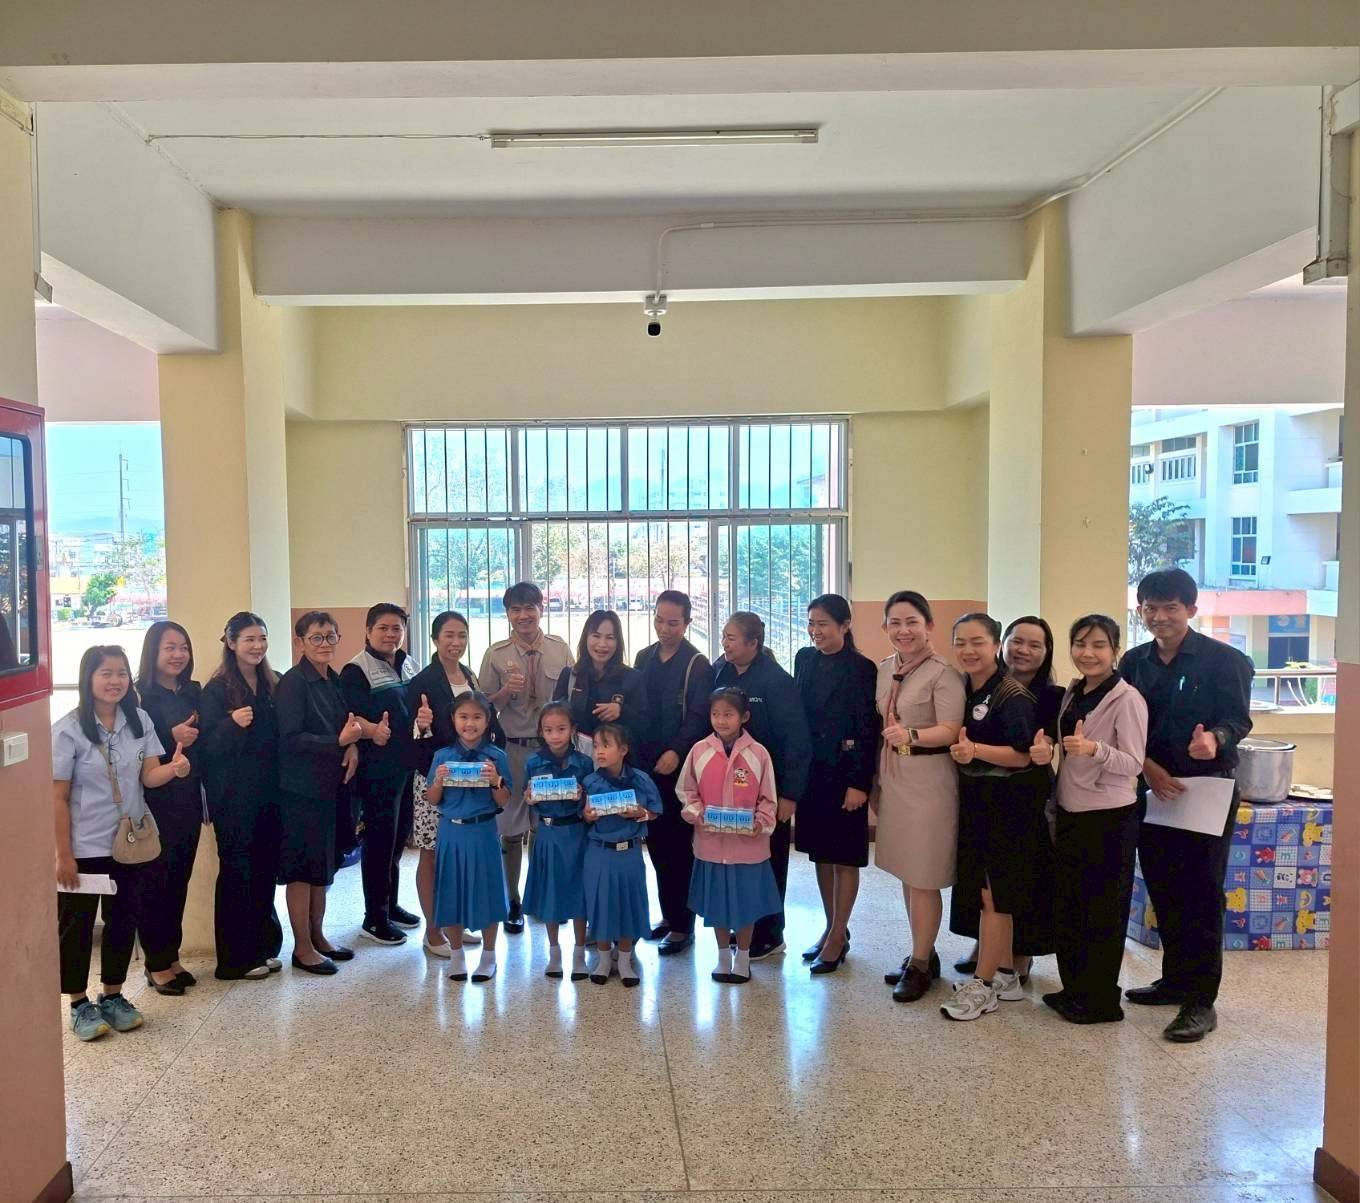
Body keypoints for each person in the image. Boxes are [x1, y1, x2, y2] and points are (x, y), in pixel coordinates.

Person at [1121, 568, 1254, 1042]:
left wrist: (1214, 740)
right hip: (1154, 791)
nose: (1159, 617)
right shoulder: (1134, 662)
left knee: (1201, 894)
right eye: (1150, 608)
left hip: (1205, 790)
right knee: (1164, 887)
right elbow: (1124, 728)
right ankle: (1174, 980)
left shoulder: (1225, 660)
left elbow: (1238, 720)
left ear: (1191, 610)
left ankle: (1201, 1000)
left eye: (1170, 608)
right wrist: (1148, 769)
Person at [53, 646, 192, 1041]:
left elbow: (149, 777)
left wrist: (175, 768)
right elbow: (56, 799)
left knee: (123, 920)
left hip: (131, 841)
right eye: (106, 673)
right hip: (85, 846)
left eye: (121, 673)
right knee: (77, 926)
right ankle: (78, 1004)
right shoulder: (67, 729)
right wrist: (63, 855)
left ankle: (113, 995)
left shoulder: (139, 720)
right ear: (88, 678)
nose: (115, 681)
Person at [1032, 614, 1148, 1024]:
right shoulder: (1074, 691)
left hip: (1109, 817)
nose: (1088, 653)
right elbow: (1063, 744)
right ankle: (1074, 990)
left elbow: (1134, 763)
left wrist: (1094, 749)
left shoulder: (1127, 698)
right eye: (1080, 644)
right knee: (1071, 905)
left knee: (1102, 911)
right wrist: (1048, 750)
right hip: (1071, 811)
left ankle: (1100, 1001)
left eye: (1099, 645)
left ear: (1115, 650)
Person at [942, 613, 1052, 1022]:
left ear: (994, 646)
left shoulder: (1012, 695)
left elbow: (1024, 756)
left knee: (994, 895)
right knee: (989, 893)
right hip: (979, 803)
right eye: (961, 642)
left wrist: (975, 751)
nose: (969, 650)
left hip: (1009, 806)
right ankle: (1005, 974)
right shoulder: (968, 687)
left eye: (978, 642)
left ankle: (983, 985)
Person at [875, 591, 965, 1003]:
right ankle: (921, 951)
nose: (903, 630)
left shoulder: (943, 673)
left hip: (930, 781)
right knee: (908, 872)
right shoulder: (885, 669)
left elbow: (951, 729)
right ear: (885, 627)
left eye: (912, 621)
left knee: (925, 876)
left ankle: (922, 964)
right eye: (895, 622)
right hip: (896, 777)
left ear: (929, 625)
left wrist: (911, 734)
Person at [712, 612, 810, 960]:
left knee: (769, 861)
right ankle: (745, 927)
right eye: (724, 637)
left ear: (754, 643)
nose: (725, 644)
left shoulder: (776, 681)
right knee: (741, 861)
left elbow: (796, 739)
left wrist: (790, 794)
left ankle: (771, 933)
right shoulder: (722, 673)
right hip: (733, 790)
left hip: (770, 790)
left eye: (732, 638)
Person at [479, 582, 574, 935]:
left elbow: (571, 699)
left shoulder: (560, 649)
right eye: (515, 610)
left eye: (529, 608)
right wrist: (505, 692)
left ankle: (540, 896)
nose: (523, 616)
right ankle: (513, 901)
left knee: (543, 825)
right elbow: (482, 708)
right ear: (507, 614)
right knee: (510, 828)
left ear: (541, 609)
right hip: (513, 750)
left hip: (552, 753)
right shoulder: (495, 654)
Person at [407, 609, 502, 958]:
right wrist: (421, 725)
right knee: (432, 853)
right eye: (448, 634)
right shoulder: (422, 681)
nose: (456, 641)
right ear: (435, 639)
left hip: (472, 783)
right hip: (437, 779)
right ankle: (433, 932)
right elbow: (410, 735)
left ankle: (454, 927)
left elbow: (483, 719)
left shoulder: (469, 675)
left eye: (461, 635)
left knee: (456, 857)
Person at [793, 594, 878, 975]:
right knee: (820, 855)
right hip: (813, 774)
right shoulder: (804, 659)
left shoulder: (861, 668)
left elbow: (867, 726)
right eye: (811, 623)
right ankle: (831, 928)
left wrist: (860, 782)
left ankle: (839, 933)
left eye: (823, 623)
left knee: (844, 856)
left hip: (845, 776)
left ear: (845, 625)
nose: (815, 631)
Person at [275, 611, 363, 976]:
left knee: (322, 867)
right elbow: (290, 739)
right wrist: (338, 742)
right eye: (316, 637)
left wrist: (352, 746)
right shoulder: (293, 683)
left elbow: (346, 725)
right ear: (300, 642)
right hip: (300, 791)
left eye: (330, 636)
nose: (325, 644)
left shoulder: (332, 679)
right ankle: (302, 947)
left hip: (330, 788)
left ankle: (318, 937)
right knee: (302, 870)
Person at [199, 611, 284, 981]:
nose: (257, 646)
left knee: (264, 869)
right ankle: (234, 960)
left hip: (269, 794)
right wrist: (231, 724)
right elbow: (206, 747)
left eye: (262, 638)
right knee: (237, 872)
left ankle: (263, 947)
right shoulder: (216, 690)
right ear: (231, 643)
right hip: (233, 799)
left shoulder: (272, 682)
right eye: (249, 639)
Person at [678, 687, 781, 985]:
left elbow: (769, 798)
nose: (721, 720)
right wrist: (698, 814)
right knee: (717, 904)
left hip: (748, 849)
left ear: (744, 717)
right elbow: (686, 791)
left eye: (728, 714)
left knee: (746, 904)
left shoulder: (758, 753)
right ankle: (723, 956)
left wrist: (761, 823)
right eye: (715, 714)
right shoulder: (699, 751)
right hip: (711, 846)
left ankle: (743, 957)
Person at [634, 590, 713, 956]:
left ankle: (684, 926)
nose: (664, 629)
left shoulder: (698, 664)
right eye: (659, 621)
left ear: (687, 623)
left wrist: (676, 751)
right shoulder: (644, 657)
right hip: (646, 766)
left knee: (680, 848)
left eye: (673, 623)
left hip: (679, 770)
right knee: (656, 843)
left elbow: (698, 718)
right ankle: (669, 915)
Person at [339, 602, 420, 947]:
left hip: (406, 765)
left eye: (397, 628)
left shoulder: (408, 662)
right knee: (379, 842)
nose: (390, 634)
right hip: (377, 771)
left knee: (398, 838)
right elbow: (348, 715)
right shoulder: (356, 670)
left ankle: (391, 905)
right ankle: (374, 917)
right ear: (368, 631)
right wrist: (372, 730)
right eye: (383, 628)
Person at [134, 621, 204, 995]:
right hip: (154, 802)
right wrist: (169, 735)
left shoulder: (193, 691)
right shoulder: (139, 696)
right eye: (170, 648)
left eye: (184, 647)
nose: (178, 655)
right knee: (156, 883)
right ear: (153, 652)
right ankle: (156, 963)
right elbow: (131, 746)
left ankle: (171, 956)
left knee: (179, 880)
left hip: (187, 798)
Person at [427, 691, 513, 983]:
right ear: (453, 719)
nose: (470, 723)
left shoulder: (497, 756)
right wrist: (439, 781)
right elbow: (432, 798)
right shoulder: (442, 756)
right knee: (451, 892)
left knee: (487, 892)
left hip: (483, 831)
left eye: (477, 717)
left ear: (488, 721)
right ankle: (457, 955)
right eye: (463, 716)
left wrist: (495, 781)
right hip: (451, 831)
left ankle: (489, 957)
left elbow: (504, 800)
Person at [581, 723, 662, 987]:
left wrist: (640, 813)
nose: (599, 752)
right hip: (599, 852)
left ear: (623, 750)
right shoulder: (590, 782)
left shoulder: (641, 780)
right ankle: (604, 959)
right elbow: (583, 815)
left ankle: (625, 960)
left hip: (629, 852)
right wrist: (588, 816)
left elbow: (655, 812)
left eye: (606, 745)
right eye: (596, 746)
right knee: (601, 904)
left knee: (628, 904)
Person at [521, 701, 594, 981]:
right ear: (541, 731)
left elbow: (592, 804)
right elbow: (528, 796)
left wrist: (583, 798)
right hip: (548, 834)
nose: (555, 735)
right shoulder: (533, 762)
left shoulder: (584, 763)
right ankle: (554, 952)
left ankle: (579, 952)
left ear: (572, 729)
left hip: (577, 833)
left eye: (561, 729)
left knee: (579, 893)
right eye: (549, 730)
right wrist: (529, 798)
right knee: (550, 893)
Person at [554, 608, 650, 748]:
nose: (602, 644)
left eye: (610, 638)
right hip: (576, 757)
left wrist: (621, 711)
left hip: (616, 759)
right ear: (586, 638)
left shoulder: (633, 678)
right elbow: (554, 719)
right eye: (596, 636)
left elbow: (645, 727)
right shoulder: (569, 675)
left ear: (618, 642)